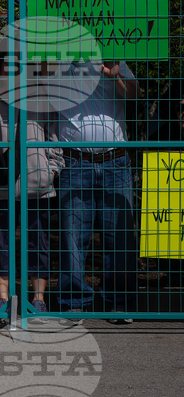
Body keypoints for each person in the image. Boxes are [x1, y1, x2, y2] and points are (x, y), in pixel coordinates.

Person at [56, 60, 139, 325]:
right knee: (73, 236)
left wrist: (114, 75)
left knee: (119, 237)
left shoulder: (115, 57)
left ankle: (118, 302)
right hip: (75, 162)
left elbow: (137, 96)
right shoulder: (56, 61)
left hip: (115, 162)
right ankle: (73, 303)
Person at [0, 97, 62, 322]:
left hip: (36, 185)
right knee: (1, 244)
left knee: (39, 243)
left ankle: (38, 301)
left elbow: (55, 137)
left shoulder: (41, 99)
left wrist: (52, 171)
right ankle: (3, 300)